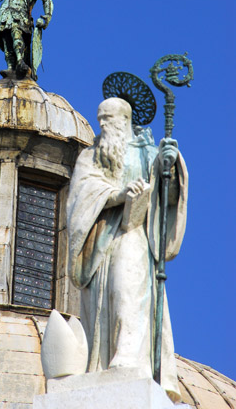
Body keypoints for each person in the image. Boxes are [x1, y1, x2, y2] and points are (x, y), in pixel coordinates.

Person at [67, 97, 188, 402]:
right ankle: (105, 361)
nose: (103, 124)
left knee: (128, 293)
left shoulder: (148, 152)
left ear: (126, 120)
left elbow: (169, 198)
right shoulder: (90, 157)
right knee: (103, 301)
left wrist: (168, 169)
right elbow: (81, 196)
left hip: (135, 235)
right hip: (100, 242)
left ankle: (128, 358)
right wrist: (118, 194)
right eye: (101, 118)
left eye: (109, 118)